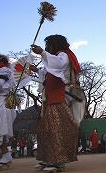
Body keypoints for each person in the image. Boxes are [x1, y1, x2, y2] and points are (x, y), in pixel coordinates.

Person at [30, 34, 80, 171]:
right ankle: (49, 158)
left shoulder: (63, 55)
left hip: (61, 95)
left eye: (48, 45)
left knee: (55, 127)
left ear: (54, 45)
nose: (47, 47)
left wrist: (42, 52)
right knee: (47, 128)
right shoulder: (56, 57)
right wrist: (38, 71)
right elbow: (50, 73)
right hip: (52, 95)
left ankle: (58, 160)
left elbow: (58, 65)